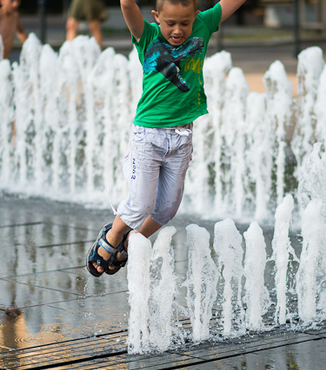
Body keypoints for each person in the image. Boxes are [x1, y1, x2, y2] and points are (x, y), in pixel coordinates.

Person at [86, 0, 246, 277]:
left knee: (167, 208)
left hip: (182, 138)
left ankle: (130, 240)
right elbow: (126, 5)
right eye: (169, 23)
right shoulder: (147, 35)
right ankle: (111, 238)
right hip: (148, 135)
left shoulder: (204, 24)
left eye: (185, 23)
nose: (177, 30)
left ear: (195, 16)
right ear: (156, 16)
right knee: (140, 205)